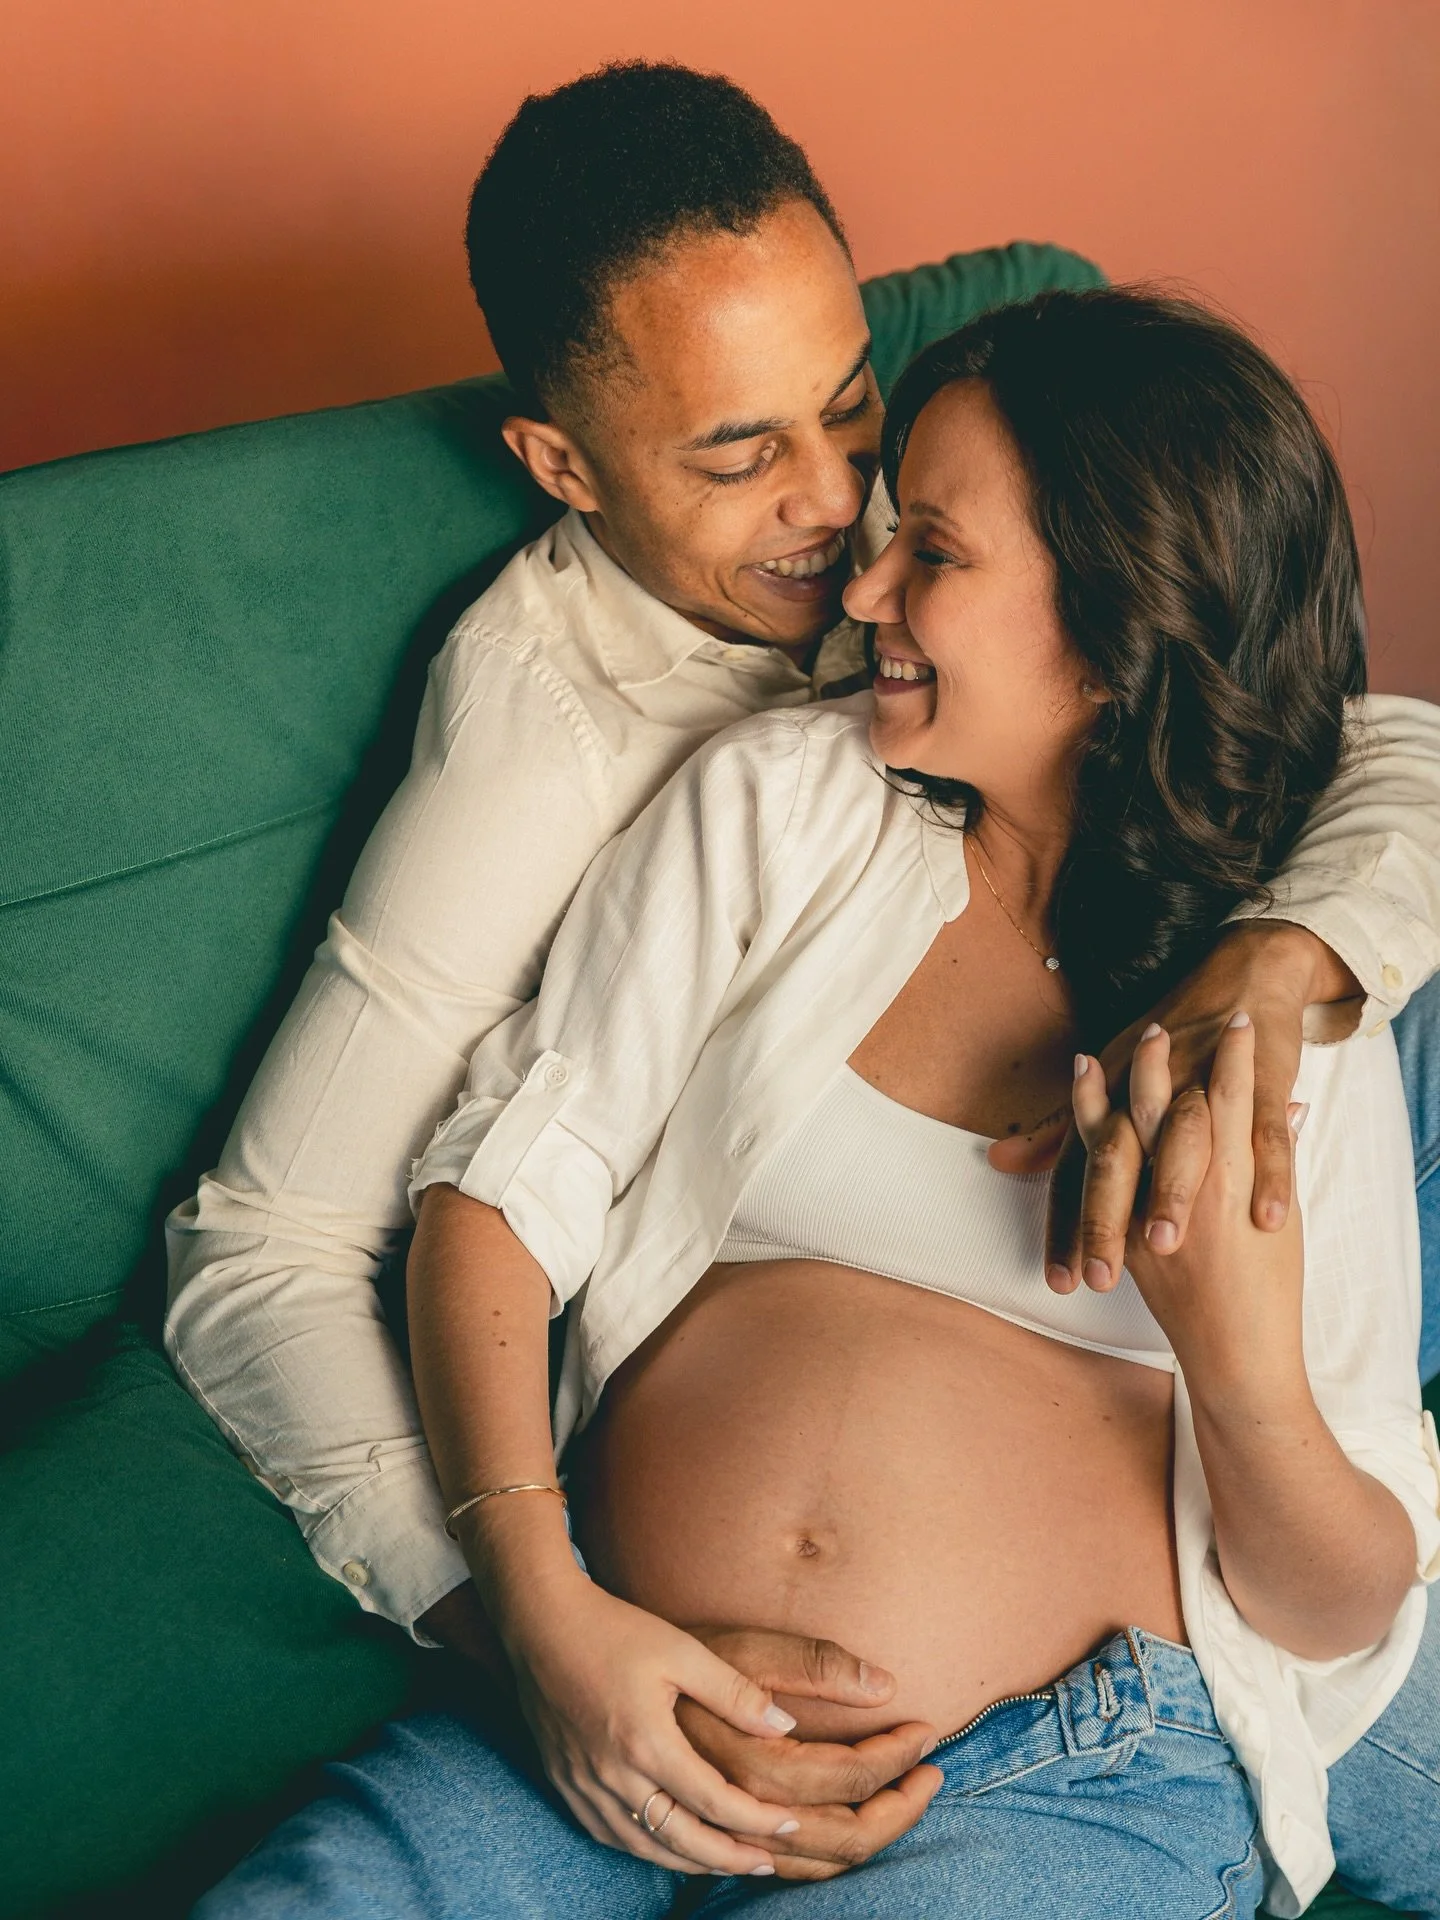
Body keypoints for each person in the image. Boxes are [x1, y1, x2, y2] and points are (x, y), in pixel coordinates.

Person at [167, 64, 1440, 1888]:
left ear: (1112, 624)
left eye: (866, 436)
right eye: (741, 454)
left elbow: (1385, 750)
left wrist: (1290, 982)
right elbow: (345, 1227)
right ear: (567, 465)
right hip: (622, 1712)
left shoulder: (1265, 991)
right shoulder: (681, 771)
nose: (845, 535)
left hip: (1054, 1738)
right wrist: (532, 1621)